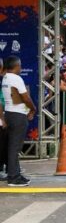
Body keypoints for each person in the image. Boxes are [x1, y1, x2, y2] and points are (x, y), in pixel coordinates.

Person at [1, 56, 36, 186]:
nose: (21, 68)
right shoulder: (16, 78)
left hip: (9, 113)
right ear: (16, 66)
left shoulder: (5, 78)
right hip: (18, 115)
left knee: (12, 146)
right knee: (15, 147)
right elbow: (25, 97)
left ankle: (15, 173)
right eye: (20, 66)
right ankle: (13, 177)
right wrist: (33, 108)